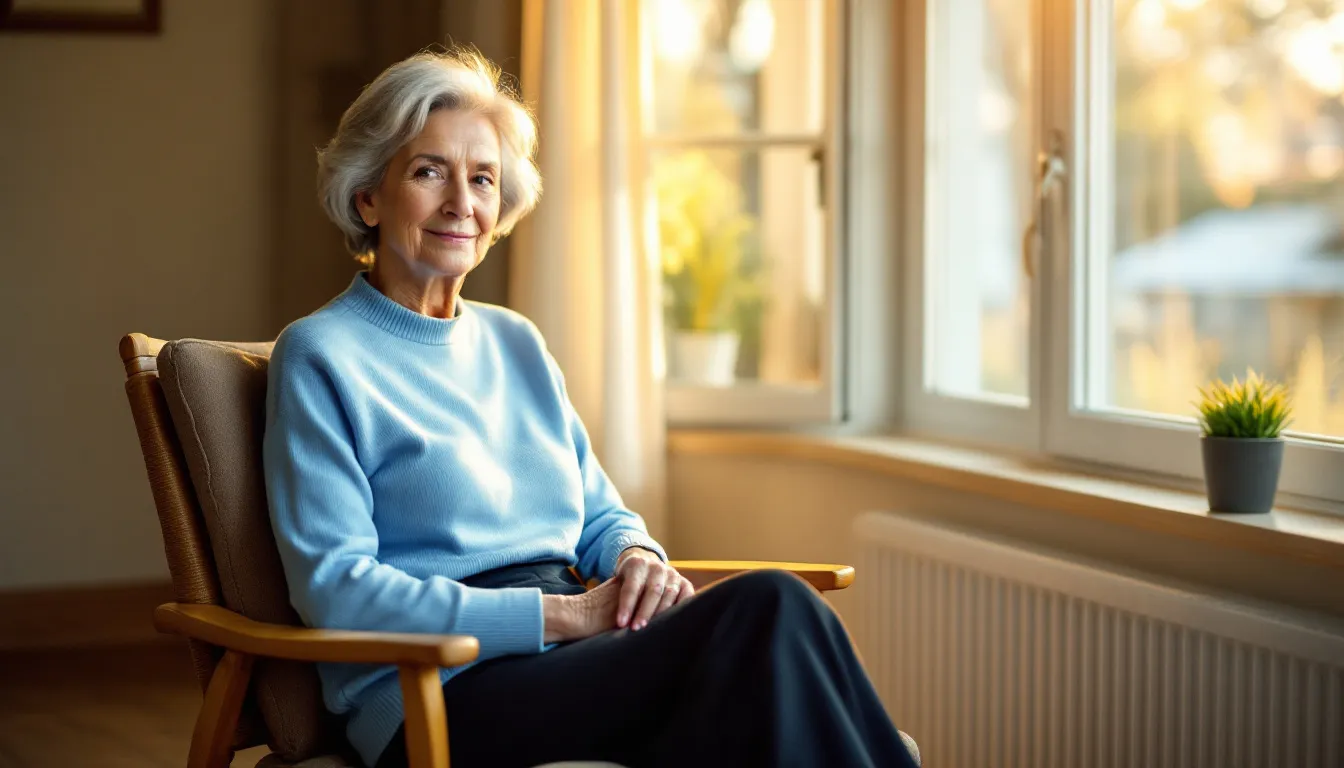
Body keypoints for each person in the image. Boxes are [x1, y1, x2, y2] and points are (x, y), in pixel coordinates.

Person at [262, 46, 918, 768]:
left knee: (789, 627)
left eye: (482, 178)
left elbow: (600, 515)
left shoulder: (516, 342)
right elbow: (336, 590)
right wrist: (565, 616)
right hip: (443, 688)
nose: (462, 202)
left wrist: (636, 558)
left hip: (579, 652)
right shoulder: (320, 355)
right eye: (428, 172)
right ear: (367, 196)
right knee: (769, 610)